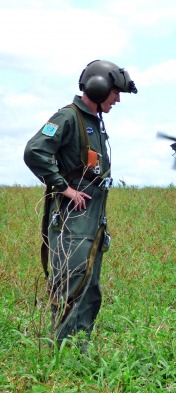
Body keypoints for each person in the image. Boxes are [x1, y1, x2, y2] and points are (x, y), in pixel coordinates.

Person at [24, 60, 137, 349]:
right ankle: (62, 353)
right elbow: (35, 151)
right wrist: (64, 188)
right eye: (115, 92)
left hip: (91, 220)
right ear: (98, 88)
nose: (118, 99)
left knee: (89, 289)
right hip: (72, 223)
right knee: (70, 287)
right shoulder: (68, 117)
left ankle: (78, 350)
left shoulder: (92, 122)